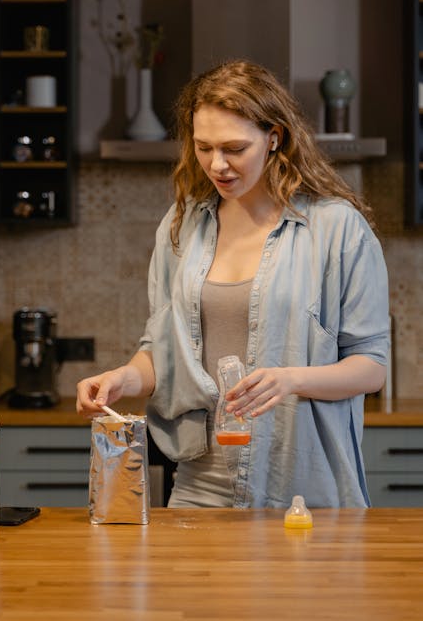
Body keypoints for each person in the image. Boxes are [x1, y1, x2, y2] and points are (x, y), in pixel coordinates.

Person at [76, 59, 389, 509]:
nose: (216, 165)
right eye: (203, 147)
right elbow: (163, 350)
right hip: (199, 484)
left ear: (274, 138)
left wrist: (289, 379)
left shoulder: (336, 228)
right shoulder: (182, 226)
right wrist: (122, 378)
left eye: (234, 148)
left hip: (303, 486)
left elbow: (371, 367)